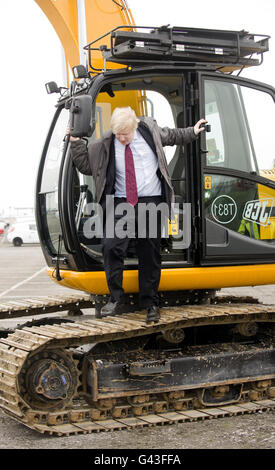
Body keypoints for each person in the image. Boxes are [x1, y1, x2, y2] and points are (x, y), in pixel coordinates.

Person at [69, 107, 206, 323]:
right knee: (111, 245)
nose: (122, 139)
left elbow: (172, 136)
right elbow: (86, 166)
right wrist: (76, 141)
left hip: (151, 199)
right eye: (118, 135)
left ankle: (150, 303)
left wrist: (193, 131)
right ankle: (115, 297)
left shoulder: (150, 131)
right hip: (122, 201)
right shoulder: (106, 144)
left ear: (134, 127)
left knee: (149, 251)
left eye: (126, 134)